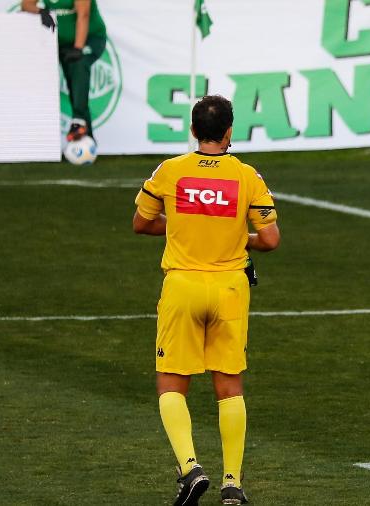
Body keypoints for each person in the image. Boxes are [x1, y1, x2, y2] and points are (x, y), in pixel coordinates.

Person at [133, 95, 280, 505]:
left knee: (171, 383)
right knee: (229, 387)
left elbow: (141, 223)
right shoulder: (248, 176)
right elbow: (269, 239)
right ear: (229, 131)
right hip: (231, 289)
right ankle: (232, 484)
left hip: (182, 287)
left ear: (194, 130)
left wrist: (182, 224)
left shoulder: (170, 171)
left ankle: (191, 468)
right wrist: (237, 236)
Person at [21, 0, 107, 141]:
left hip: (90, 39)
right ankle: (87, 138)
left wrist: (78, 49)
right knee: (73, 85)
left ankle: (79, 120)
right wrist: (41, 11)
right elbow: (26, 4)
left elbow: (83, 15)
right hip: (63, 42)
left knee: (79, 65)